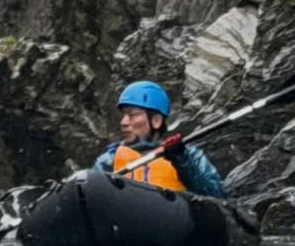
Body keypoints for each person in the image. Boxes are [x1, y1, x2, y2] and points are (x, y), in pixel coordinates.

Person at [94, 80, 226, 197]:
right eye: (123, 115)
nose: (123, 122)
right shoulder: (108, 161)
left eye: (132, 115)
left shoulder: (189, 156)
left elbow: (217, 197)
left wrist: (182, 162)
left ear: (156, 120)